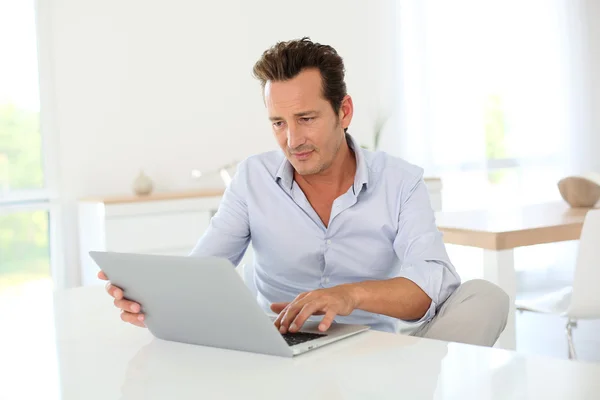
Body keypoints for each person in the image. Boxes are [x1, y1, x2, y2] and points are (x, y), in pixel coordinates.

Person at [99, 37, 509, 346]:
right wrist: (155, 301)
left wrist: (348, 296)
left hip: (373, 347)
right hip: (277, 347)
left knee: (486, 297)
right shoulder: (252, 179)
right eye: (278, 122)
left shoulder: (401, 182)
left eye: (306, 118)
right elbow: (203, 270)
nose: (293, 139)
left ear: (343, 112)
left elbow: (429, 288)